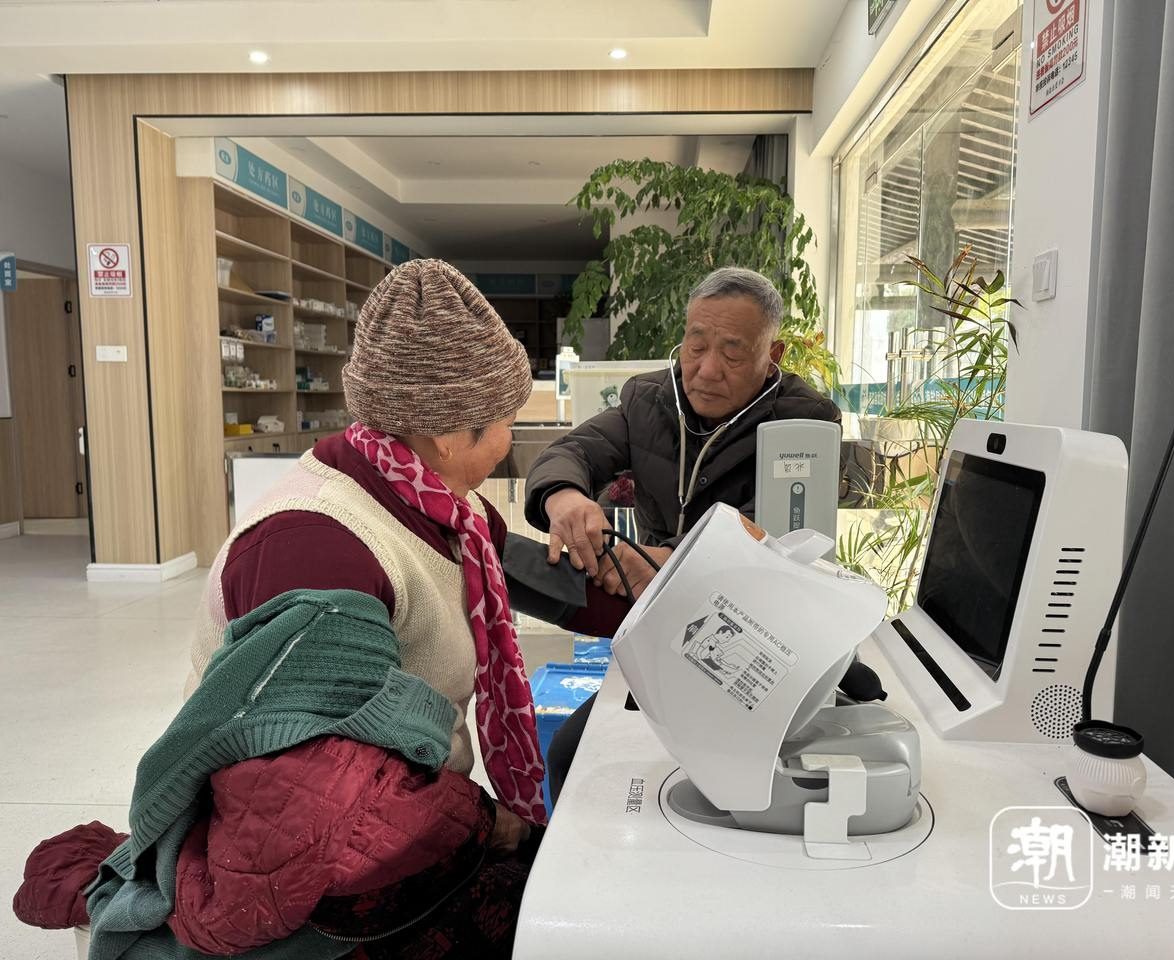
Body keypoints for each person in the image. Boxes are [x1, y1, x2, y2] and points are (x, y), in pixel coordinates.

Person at [14, 260, 613, 959]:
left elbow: (543, 580)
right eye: (508, 423)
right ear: (450, 434)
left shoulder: (444, 506)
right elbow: (308, 798)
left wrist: (657, 592)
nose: (512, 442)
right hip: (309, 862)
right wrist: (490, 824)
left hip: (399, 818)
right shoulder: (316, 549)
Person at [524, 266, 843, 802]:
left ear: (774, 355)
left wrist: (665, 560)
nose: (707, 370)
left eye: (733, 353)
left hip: (753, 638)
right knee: (571, 754)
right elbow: (572, 451)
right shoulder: (647, 399)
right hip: (662, 632)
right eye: (696, 346)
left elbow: (777, 534)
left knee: (714, 776)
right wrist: (565, 497)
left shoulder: (805, 422)